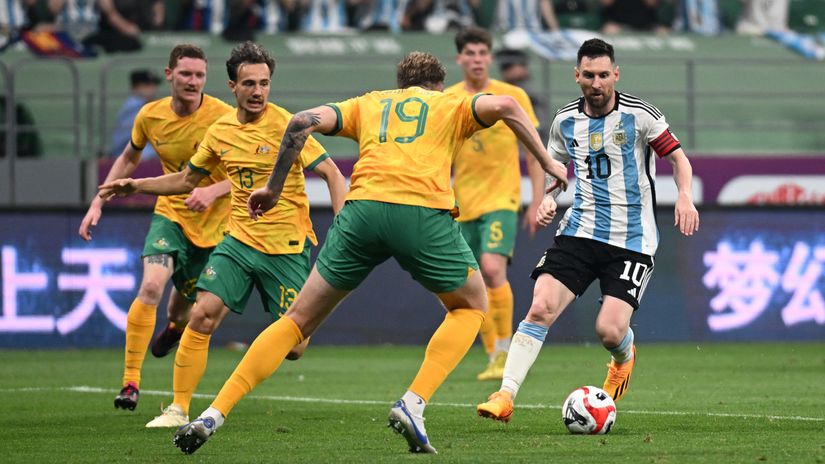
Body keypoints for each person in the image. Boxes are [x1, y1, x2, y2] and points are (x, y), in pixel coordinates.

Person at [170, 51, 568, 455]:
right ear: (436, 84)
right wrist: (548, 161)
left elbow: (300, 122)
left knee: (296, 322)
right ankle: (414, 403)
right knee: (471, 306)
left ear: (400, 84)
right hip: (421, 213)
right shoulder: (450, 103)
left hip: (360, 212)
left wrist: (272, 188)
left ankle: (214, 413)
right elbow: (506, 104)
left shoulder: (370, 103)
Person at [99, 41, 347, 428]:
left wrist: (343, 225)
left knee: (295, 348)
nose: (258, 91)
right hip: (238, 242)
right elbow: (186, 180)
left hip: (285, 248)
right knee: (202, 315)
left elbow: (332, 173)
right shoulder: (220, 131)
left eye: (264, 83)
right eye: (249, 83)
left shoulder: (288, 125)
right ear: (233, 86)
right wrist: (136, 186)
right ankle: (178, 409)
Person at [477, 38, 700, 423]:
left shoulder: (641, 115)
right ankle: (505, 394)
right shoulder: (565, 121)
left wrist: (684, 196)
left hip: (632, 240)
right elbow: (555, 170)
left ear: (616, 75)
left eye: (603, 75)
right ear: (577, 76)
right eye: (589, 75)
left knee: (609, 331)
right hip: (579, 231)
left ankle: (623, 358)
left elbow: (679, 159)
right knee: (540, 307)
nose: (597, 83)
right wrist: (548, 198)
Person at [79, 44, 233, 413]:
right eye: (185, 74)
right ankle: (130, 382)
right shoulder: (150, 116)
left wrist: (212, 191)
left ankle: (174, 329)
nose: (193, 81)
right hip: (171, 215)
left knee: (182, 313)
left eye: (199, 75)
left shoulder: (224, 118)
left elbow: (248, 175)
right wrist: (98, 201)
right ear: (169, 75)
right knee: (150, 286)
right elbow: (129, 156)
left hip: (214, 227)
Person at [446, 28, 545, 381]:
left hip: (503, 198)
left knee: (491, 268)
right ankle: (494, 356)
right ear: (460, 58)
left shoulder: (511, 96)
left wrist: (537, 200)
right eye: (470, 53)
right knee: (471, 282)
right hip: (463, 204)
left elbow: (533, 150)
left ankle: (505, 350)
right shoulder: (448, 99)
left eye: (482, 53)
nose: (477, 59)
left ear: (490, 57)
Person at [109, 69, 161, 158]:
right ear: (135, 87)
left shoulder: (147, 104)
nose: (152, 88)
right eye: (147, 85)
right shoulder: (134, 105)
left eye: (154, 84)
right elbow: (127, 141)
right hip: (128, 153)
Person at [599, 0, 668, 35]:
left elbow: (651, 2)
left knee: (663, 32)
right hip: (618, 24)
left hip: (647, 25)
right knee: (609, 30)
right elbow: (606, 2)